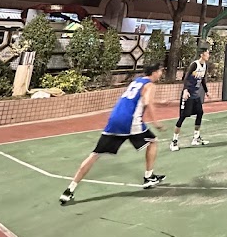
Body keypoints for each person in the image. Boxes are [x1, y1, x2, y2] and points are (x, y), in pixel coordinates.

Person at [59, 64, 165, 204]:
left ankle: (69, 190)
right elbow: (148, 103)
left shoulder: (136, 81)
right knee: (153, 141)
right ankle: (148, 177)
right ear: (155, 72)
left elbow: (137, 99)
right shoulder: (150, 85)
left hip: (114, 119)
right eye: (161, 71)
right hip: (130, 122)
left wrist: (159, 102)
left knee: (95, 154)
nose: (161, 74)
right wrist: (156, 122)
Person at [170, 47, 211, 151]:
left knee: (200, 113)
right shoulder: (195, 64)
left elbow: (203, 80)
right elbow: (186, 77)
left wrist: (206, 91)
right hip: (188, 94)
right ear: (202, 54)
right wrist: (185, 90)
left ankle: (195, 138)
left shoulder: (205, 65)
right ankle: (174, 141)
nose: (208, 55)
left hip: (196, 95)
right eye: (207, 53)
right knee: (183, 117)